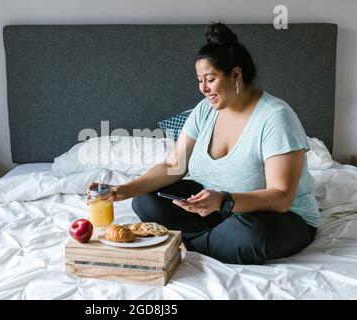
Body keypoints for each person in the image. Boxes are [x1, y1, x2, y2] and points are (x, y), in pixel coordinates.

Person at [88, 23, 319, 265]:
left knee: (251, 234)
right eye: (199, 80)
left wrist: (224, 200)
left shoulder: (275, 117)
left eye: (210, 79)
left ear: (236, 75)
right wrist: (122, 190)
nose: (203, 89)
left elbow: (281, 197)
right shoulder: (205, 110)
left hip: (274, 216)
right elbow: (173, 165)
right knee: (146, 199)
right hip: (212, 210)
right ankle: (214, 241)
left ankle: (194, 242)